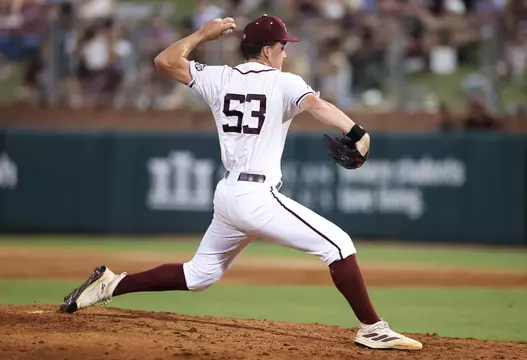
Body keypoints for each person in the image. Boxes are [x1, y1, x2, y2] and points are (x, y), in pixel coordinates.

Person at [59, 15, 422, 351]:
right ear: (267, 50)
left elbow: (164, 61)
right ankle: (372, 328)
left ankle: (111, 283)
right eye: (282, 46)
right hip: (256, 196)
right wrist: (356, 130)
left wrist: (203, 33)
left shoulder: (220, 77)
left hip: (229, 194)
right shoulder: (284, 82)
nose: (285, 52)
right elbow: (316, 105)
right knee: (339, 245)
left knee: (199, 274)